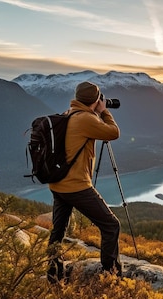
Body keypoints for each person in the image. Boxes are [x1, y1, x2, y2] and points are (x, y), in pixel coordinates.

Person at [47, 81, 121, 283]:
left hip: (58, 184)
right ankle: (110, 275)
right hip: (77, 186)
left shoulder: (68, 113)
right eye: (99, 99)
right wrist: (104, 112)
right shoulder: (86, 119)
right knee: (111, 225)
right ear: (96, 100)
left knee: (58, 231)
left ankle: (54, 275)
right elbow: (113, 132)